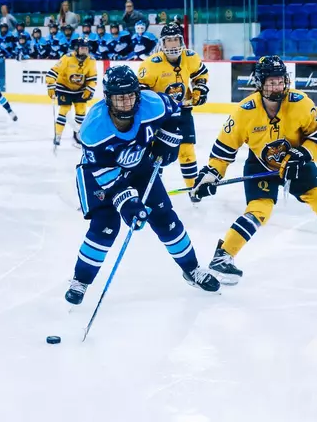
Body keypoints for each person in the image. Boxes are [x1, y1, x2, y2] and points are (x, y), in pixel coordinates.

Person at [191, 56, 317, 284]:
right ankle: (223, 256)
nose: (277, 87)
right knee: (259, 210)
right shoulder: (244, 112)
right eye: (271, 82)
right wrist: (212, 174)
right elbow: (224, 148)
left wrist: (302, 154)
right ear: (259, 83)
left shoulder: (300, 103)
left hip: (296, 163)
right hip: (260, 165)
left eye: (280, 81)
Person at [64, 65, 220, 305]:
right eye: (119, 98)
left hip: (139, 166)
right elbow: (104, 173)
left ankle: (192, 269)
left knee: (166, 219)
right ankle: (81, 280)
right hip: (98, 174)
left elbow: (177, 111)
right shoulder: (94, 129)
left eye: (130, 95)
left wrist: (170, 139)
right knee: (106, 226)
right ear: (108, 99)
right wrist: (128, 203)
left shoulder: (153, 104)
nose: (126, 103)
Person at [138, 23, 208, 193]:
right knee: (157, 154)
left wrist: (199, 89)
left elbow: (201, 74)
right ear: (162, 43)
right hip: (160, 115)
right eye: (168, 40)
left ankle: (193, 189)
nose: (173, 44)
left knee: (187, 151)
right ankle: (154, 189)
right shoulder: (151, 64)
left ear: (181, 41)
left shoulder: (190, 57)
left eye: (175, 39)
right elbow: (141, 91)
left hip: (183, 111)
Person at [45, 38, 97, 148]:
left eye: (86, 49)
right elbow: (53, 71)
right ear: (76, 48)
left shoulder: (91, 60)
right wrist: (50, 85)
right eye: (82, 48)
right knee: (64, 110)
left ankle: (78, 135)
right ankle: (58, 134)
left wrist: (89, 89)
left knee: (81, 112)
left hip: (80, 89)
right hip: (64, 87)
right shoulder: (67, 58)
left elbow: (92, 78)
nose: (85, 51)